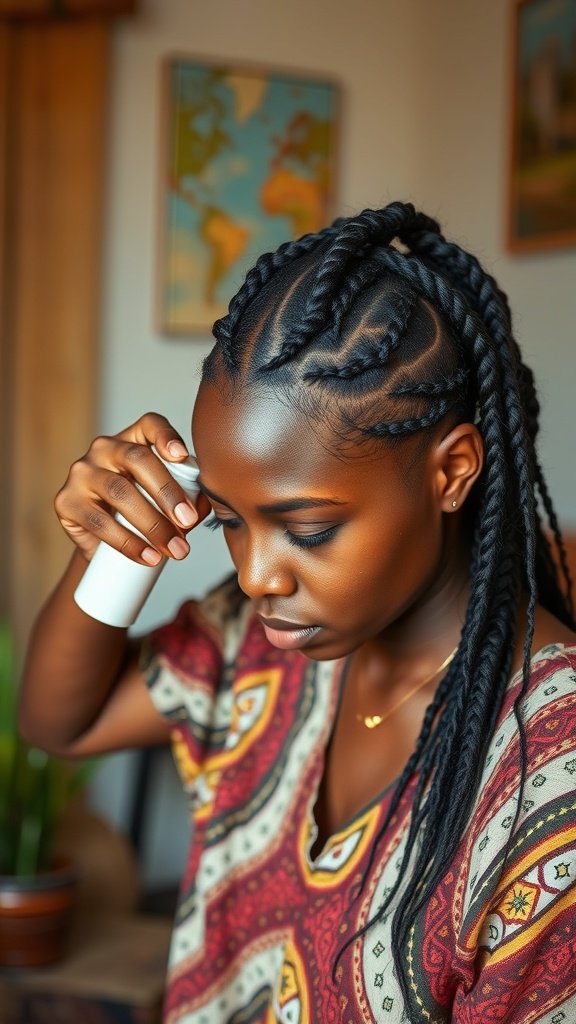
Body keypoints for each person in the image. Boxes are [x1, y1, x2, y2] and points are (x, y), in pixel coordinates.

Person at [20, 202, 576, 1024]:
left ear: (452, 470)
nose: (255, 577)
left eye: (308, 530)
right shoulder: (256, 642)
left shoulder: (550, 783)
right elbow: (61, 724)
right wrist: (113, 548)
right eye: (231, 522)